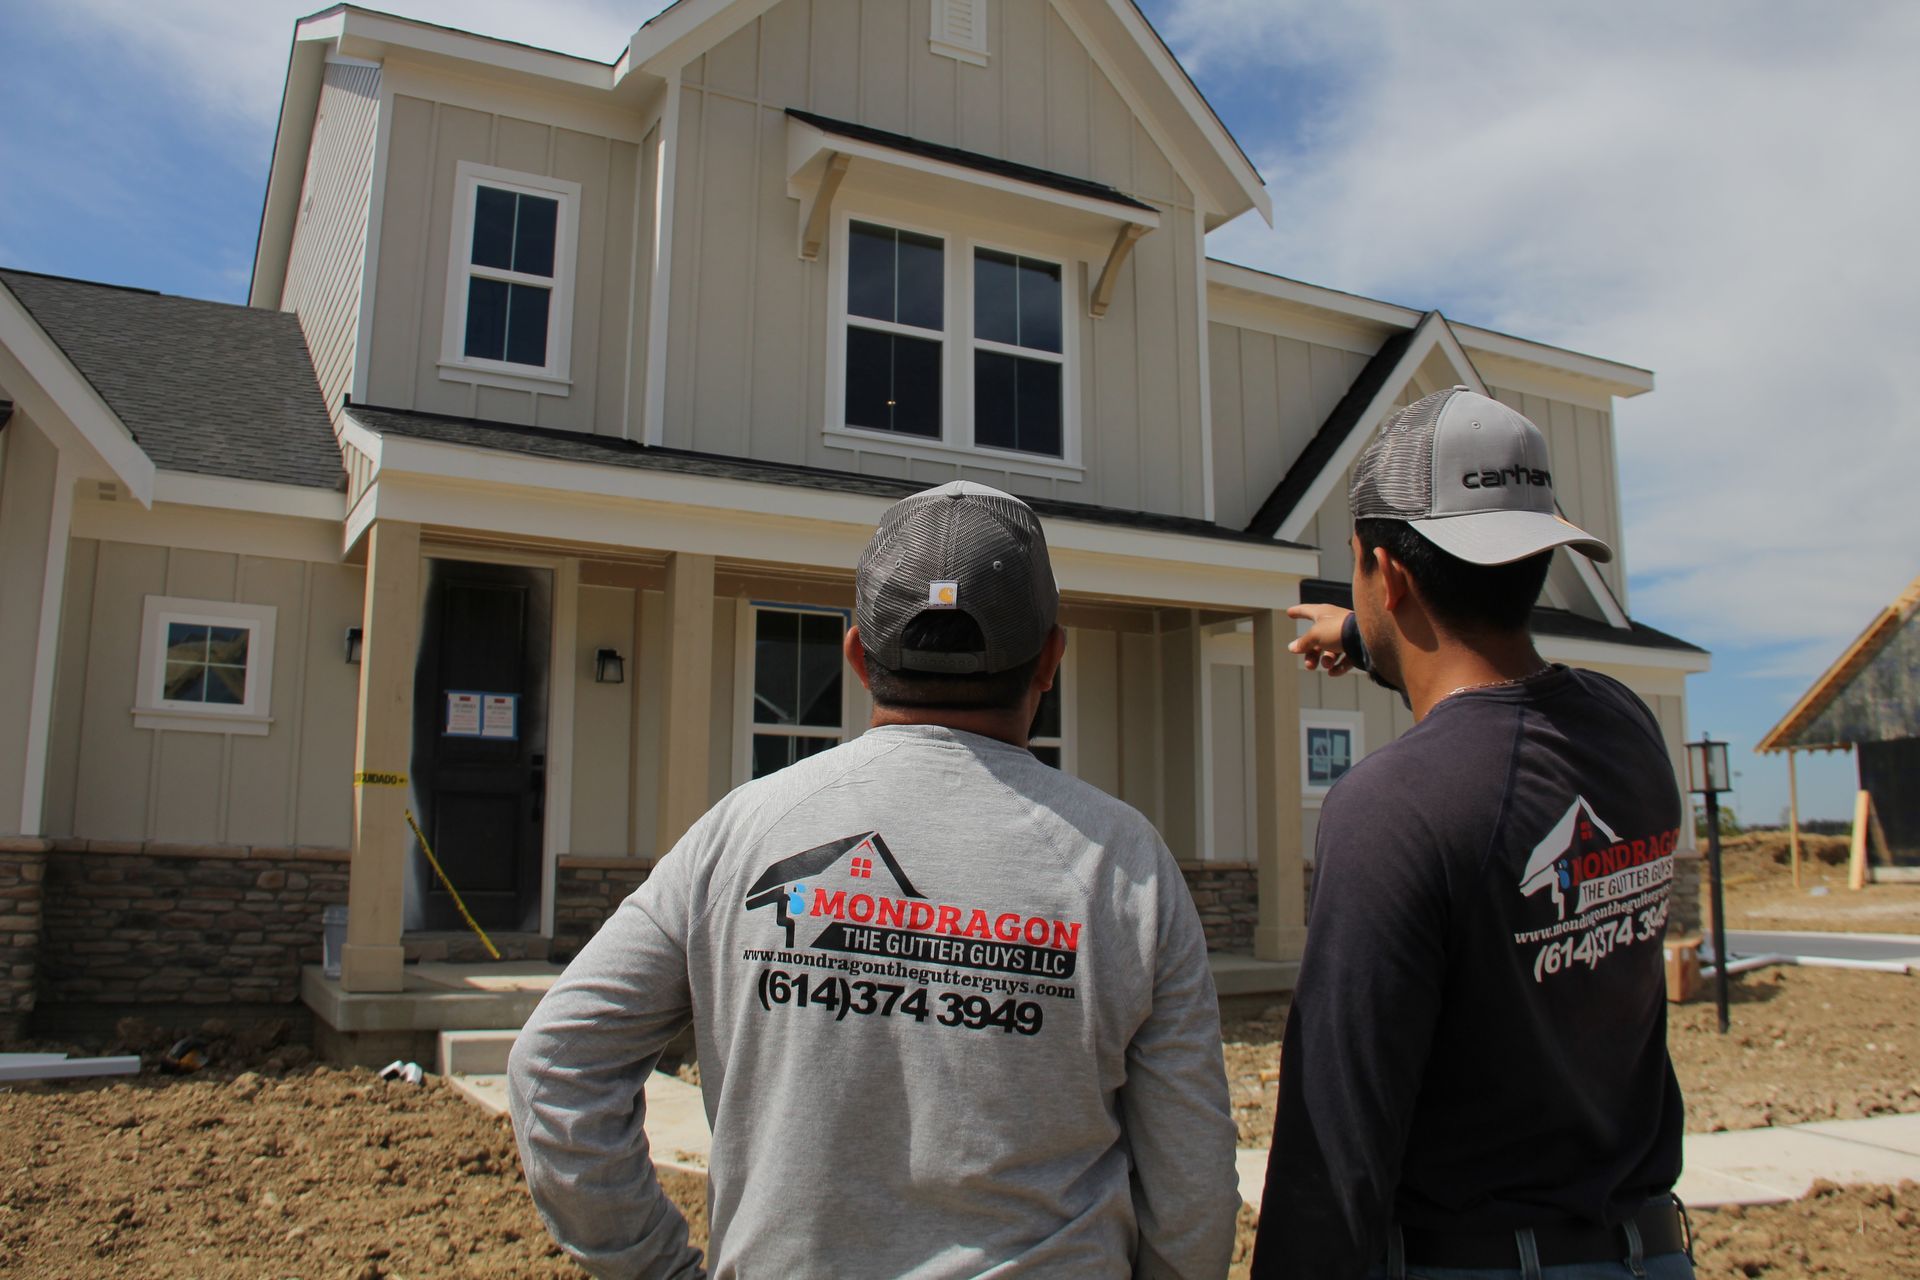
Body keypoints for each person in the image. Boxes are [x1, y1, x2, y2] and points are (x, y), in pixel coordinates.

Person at [509, 480, 1239, 1279]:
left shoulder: (741, 834)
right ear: (1052, 660)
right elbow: (1193, 1192)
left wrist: (657, 1268)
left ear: (856, 654)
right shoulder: (1123, 863)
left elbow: (556, 1069)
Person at [1250, 388, 1693, 1280]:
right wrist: (1374, 641)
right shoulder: (1624, 727)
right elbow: (1495, 725)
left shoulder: (1390, 809)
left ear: (1391, 575)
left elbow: (1334, 1151)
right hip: (1647, 1253)